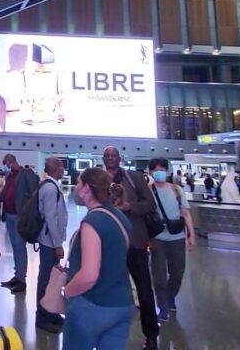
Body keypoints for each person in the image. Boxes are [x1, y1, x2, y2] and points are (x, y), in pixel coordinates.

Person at [62, 167, 134, 350]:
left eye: (79, 182)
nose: (76, 187)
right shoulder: (120, 217)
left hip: (93, 305)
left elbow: (89, 274)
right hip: (122, 304)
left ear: (86, 188)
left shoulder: (92, 222)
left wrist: (67, 291)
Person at [102, 146, 159, 349]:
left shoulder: (134, 177)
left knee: (143, 288)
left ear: (119, 158)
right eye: (107, 155)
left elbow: (149, 204)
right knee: (108, 287)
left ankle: (151, 336)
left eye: (113, 155)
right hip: (109, 242)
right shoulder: (99, 179)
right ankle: (108, 333)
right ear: (103, 158)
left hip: (135, 240)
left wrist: (130, 207)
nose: (110, 158)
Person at [148, 158, 195, 322]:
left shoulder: (177, 190)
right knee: (159, 274)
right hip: (158, 238)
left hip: (177, 237)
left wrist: (191, 235)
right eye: (155, 170)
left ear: (167, 171)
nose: (159, 172)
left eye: (162, 169)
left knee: (177, 272)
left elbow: (186, 213)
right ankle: (163, 305)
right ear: (151, 172)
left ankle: (170, 296)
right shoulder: (148, 191)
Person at [0, 153, 38, 294]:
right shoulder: (9, 176)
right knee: (14, 246)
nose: (5, 166)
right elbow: (3, 196)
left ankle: (22, 279)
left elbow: (34, 193)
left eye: (6, 162)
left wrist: (28, 210)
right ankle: (17, 276)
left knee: (20, 246)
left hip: (19, 216)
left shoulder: (26, 173)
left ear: (11, 161)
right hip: (9, 214)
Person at [35, 157, 68, 334]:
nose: (63, 168)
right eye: (61, 165)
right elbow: (50, 218)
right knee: (46, 279)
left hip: (51, 240)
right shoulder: (49, 188)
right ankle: (42, 316)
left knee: (52, 277)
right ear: (55, 168)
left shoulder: (52, 185)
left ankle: (51, 311)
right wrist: (57, 244)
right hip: (49, 242)